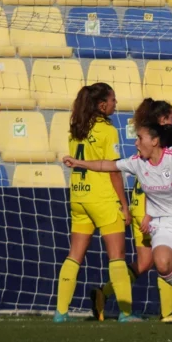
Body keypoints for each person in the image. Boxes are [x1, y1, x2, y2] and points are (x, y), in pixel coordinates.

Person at [64, 122, 172, 328]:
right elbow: (108, 165)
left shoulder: (170, 156)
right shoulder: (137, 161)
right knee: (159, 263)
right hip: (160, 220)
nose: (135, 143)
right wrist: (79, 163)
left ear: (154, 141)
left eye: (139, 138)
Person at [53, 83, 136, 323]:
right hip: (103, 198)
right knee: (117, 256)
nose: (115, 104)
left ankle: (60, 312)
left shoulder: (77, 127)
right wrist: (124, 204)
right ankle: (126, 313)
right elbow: (114, 169)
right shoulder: (107, 130)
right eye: (112, 100)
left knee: (74, 254)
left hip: (79, 196)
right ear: (102, 105)